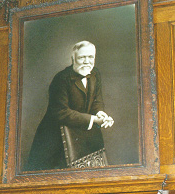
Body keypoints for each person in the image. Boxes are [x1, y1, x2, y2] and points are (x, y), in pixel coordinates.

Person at [25, 40, 114, 171]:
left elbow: (97, 102)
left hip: (79, 133)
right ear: (73, 58)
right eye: (82, 57)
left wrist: (100, 113)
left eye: (90, 57)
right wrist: (94, 120)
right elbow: (61, 112)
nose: (87, 61)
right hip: (54, 137)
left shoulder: (95, 74)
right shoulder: (61, 79)